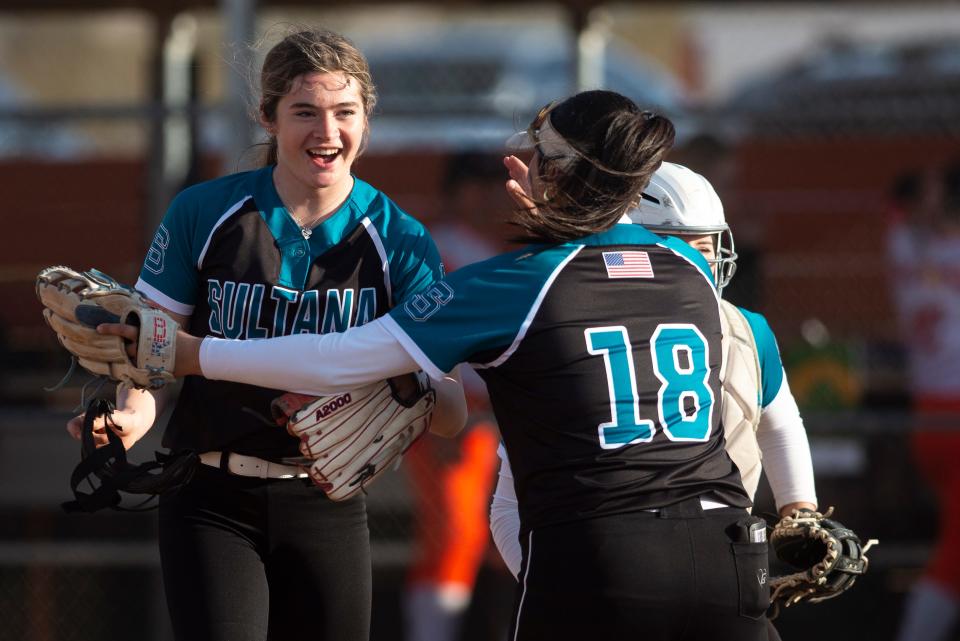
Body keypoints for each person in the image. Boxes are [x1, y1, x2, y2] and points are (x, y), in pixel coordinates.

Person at [97, 90, 771, 640]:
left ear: (565, 173)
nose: (522, 164)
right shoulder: (688, 272)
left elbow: (344, 355)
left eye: (539, 153)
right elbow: (774, 409)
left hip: (602, 556)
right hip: (726, 548)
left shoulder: (519, 280)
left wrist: (196, 353)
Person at [66, 27, 466, 641]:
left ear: (367, 120)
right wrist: (128, 415)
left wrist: (411, 387)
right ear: (268, 116)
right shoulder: (206, 212)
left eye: (345, 113)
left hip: (327, 499)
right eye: (304, 112)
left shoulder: (400, 238)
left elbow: (451, 411)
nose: (327, 133)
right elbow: (152, 357)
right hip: (208, 493)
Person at [489, 161, 819, 641]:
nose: (702, 266)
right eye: (686, 250)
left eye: (708, 249)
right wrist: (561, 580)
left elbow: (781, 422)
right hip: (609, 553)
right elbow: (507, 502)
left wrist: (799, 510)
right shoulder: (573, 323)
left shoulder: (745, 329)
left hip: (718, 550)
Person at [403, 153, 505, 641]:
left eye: (495, 186)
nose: (490, 197)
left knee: (495, 538)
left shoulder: (490, 249)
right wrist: (438, 416)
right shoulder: (437, 250)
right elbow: (423, 343)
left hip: (497, 418)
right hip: (451, 416)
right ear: (456, 191)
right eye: (478, 186)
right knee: (453, 537)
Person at [889, 160, 960, 641]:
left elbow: (897, 207)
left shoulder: (904, 242)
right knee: (953, 554)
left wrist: (930, 199)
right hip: (954, 417)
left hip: (928, 414)